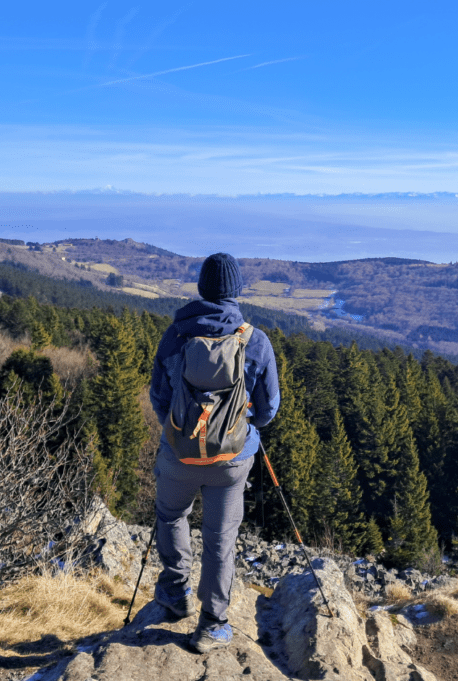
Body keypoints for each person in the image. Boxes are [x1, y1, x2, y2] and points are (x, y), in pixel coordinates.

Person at [148, 252, 280, 653]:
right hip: (231, 460)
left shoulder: (175, 337)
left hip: (179, 456)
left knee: (172, 515)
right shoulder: (254, 340)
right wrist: (242, 424)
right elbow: (269, 409)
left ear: (202, 290)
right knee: (220, 537)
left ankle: (174, 593)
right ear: (236, 291)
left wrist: (182, 430)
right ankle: (212, 623)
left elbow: (159, 398)